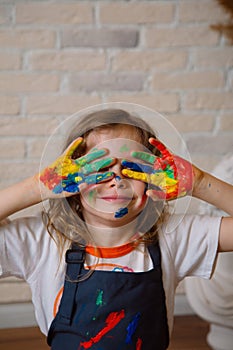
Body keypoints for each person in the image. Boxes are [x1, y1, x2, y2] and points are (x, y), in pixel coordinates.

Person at [0, 108, 232, 350]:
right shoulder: (42, 240)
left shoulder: (174, 237)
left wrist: (200, 182)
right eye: (100, 168)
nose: (117, 179)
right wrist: (36, 187)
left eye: (133, 169)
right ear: (68, 180)